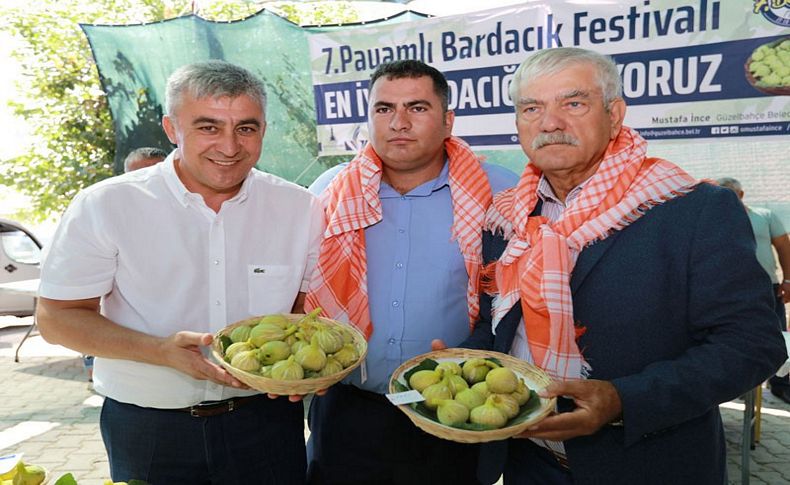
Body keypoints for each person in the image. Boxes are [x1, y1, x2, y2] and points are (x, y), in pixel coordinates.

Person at [461, 47, 787, 484]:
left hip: (647, 465)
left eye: (573, 103)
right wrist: (465, 363)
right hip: (528, 464)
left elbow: (753, 344)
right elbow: (496, 321)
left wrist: (622, 400)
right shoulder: (506, 217)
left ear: (615, 115)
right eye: (531, 108)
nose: (550, 122)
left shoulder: (693, 209)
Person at [36, 60, 323, 484]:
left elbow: (304, 311)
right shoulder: (106, 205)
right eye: (208, 127)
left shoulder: (300, 208)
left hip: (266, 424)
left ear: (263, 128)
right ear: (172, 129)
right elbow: (56, 318)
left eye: (246, 128)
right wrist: (159, 351)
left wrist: (314, 364)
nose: (229, 146)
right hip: (148, 430)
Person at [304, 59, 519, 485]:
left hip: (452, 408)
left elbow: (521, 298)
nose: (398, 122)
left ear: (448, 120)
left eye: (417, 108)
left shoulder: (501, 192)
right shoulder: (330, 191)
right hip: (349, 409)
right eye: (384, 109)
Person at [81, 146, 171, 383]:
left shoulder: (192, 215)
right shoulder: (104, 212)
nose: (146, 183)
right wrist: (91, 356)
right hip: (133, 377)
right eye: (138, 176)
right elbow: (78, 306)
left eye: (156, 175)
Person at [717, 177, 790, 403]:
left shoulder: (764, 216)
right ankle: (740, 387)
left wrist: (788, 280)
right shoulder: (715, 221)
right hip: (731, 289)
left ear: (741, 195)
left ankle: (780, 384)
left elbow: (783, 247)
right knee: (736, 337)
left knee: (777, 334)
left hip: (768, 287)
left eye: (732, 195)